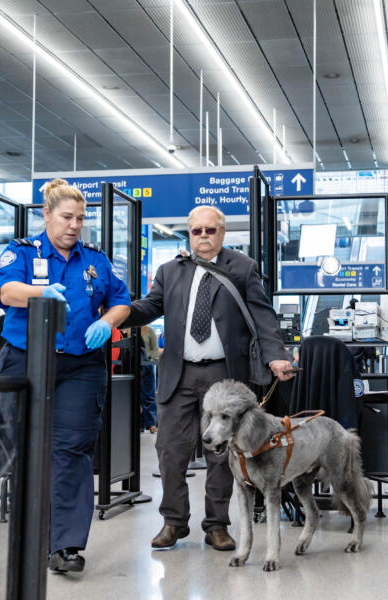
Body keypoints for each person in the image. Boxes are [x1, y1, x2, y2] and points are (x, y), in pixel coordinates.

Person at [121, 205, 294, 552]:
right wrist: (118, 313)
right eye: (196, 230)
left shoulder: (242, 268)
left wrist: (277, 355)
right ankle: (173, 522)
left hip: (223, 373)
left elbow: (263, 315)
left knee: (220, 454)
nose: (202, 236)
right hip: (178, 372)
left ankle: (216, 525)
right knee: (171, 449)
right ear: (189, 233)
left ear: (222, 232)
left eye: (209, 230)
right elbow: (151, 306)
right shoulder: (170, 271)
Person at [0, 178, 131, 574]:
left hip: (81, 365)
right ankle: (29, 534)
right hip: (27, 360)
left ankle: (65, 544)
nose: (74, 225)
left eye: (80, 219)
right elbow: (6, 291)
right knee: (24, 449)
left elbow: (121, 301)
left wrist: (106, 321)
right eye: (67, 217)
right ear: (46, 214)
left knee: (71, 450)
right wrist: (40, 294)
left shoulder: (95, 259)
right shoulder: (21, 251)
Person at [139, 325, 159, 433]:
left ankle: (151, 423)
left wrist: (146, 356)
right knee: (137, 396)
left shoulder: (149, 330)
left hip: (148, 366)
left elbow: (155, 350)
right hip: (134, 366)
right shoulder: (129, 330)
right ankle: (140, 424)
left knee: (149, 394)